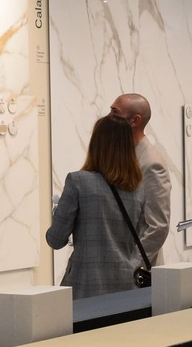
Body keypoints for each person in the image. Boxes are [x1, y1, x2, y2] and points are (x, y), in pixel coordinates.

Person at [46, 114, 148, 298]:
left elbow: (55, 239)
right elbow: (137, 238)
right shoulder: (138, 189)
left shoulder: (78, 181)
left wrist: (59, 212)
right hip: (128, 287)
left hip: (87, 287)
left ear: (96, 144)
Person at [109, 92, 172, 263]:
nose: (109, 118)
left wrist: (130, 264)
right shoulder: (119, 154)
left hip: (136, 269)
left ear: (135, 120)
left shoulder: (151, 163)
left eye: (115, 113)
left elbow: (158, 227)